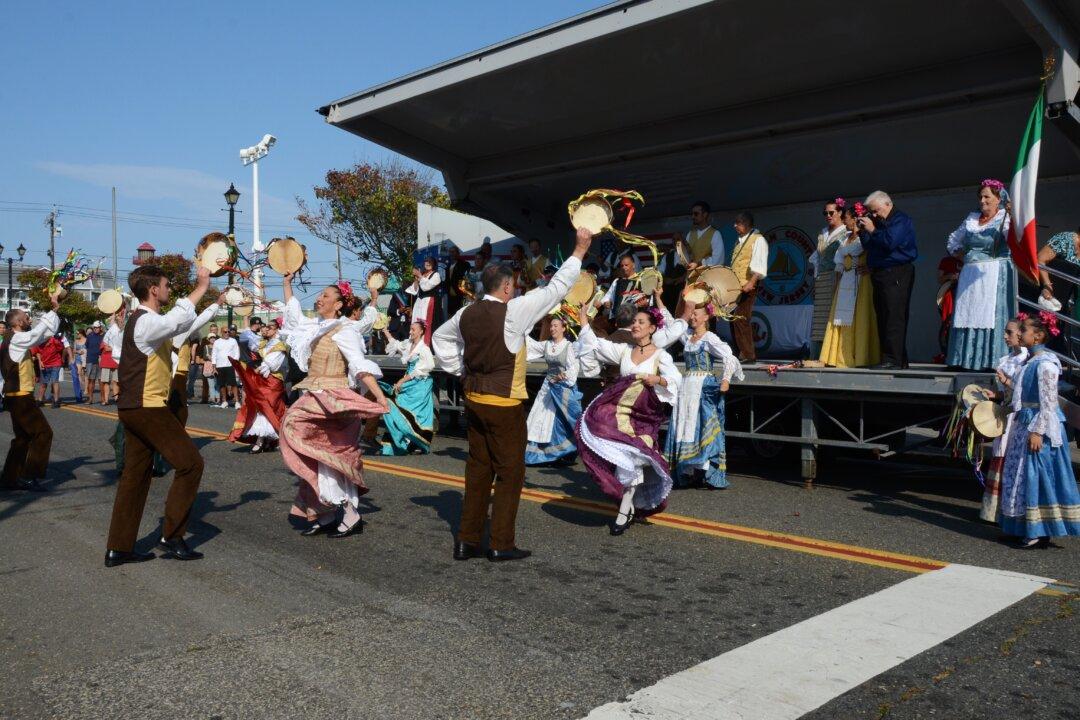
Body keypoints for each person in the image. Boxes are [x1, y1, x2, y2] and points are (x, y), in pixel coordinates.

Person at [432, 226, 595, 562]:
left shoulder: (466, 312)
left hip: (474, 400)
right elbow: (556, 289)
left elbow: (440, 339)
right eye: (514, 285)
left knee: (478, 471)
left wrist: (461, 370)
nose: (516, 289)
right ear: (506, 287)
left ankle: (466, 540)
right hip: (504, 404)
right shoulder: (513, 311)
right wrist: (579, 251)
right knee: (510, 474)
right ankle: (500, 543)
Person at [105, 265, 211, 567]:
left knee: (135, 476)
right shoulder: (145, 322)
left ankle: (119, 548)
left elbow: (182, 324)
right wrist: (201, 287)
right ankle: (172, 536)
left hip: (135, 407)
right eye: (165, 284)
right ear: (153, 289)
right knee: (191, 463)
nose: (168, 289)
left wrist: (212, 303)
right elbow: (177, 318)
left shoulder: (143, 322)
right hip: (147, 407)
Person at [279, 275, 388, 539]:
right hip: (314, 395)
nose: (319, 298)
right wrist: (287, 281)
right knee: (313, 453)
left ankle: (350, 514)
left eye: (325, 296)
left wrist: (379, 397)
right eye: (320, 295)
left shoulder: (345, 329)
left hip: (335, 400)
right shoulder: (314, 326)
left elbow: (358, 365)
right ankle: (324, 512)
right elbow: (293, 315)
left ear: (339, 305)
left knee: (332, 459)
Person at [576, 306, 681, 534]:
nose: (635, 325)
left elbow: (675, 379)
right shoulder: (624, 350)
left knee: (633, 461)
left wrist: (659, 379)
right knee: (622, 456)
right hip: (617, 416)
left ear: (652, 328)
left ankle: (625, 510)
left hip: (641, 419)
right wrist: (584, 320)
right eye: (634, 322)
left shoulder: (661, 355)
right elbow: (596, 345)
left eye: (641, 322)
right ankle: (626, 507)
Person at [997, 312, 1080, 547]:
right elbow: (1024, 393)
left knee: (1036, 476)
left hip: (1037, 425)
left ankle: (1038, 531)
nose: (1020, 334)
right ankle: (1019, 526)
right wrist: (1007, 385)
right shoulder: (1031, 362)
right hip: (1025, 421)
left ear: (1038, 336)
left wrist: (1037, 431)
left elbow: (1048, 403)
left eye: (1024, 330)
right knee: (1020, 476)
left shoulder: (1046, 364)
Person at [666, 302, 742, 489]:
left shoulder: (709, 338)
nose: (692, 317)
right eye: (691, 314)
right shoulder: (689, 337)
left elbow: (729, 356)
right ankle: (689, 472)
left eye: (696, 314)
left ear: (706, 317)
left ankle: (706, 471)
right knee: (685, 424)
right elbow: (670, 323)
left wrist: (725, 379)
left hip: (702, 385)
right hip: (687, 386)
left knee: (702, 424)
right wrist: (659, 299)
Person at [945, 180, 1016, 370]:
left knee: (988, 314)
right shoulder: (972, 218)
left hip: (994, 272)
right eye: (980, 197)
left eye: (987, 197)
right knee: (967, 314)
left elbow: (1015, 240)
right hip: (970, 273)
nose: (982, 201)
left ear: (998, 199)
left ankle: (988, 359)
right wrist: (964, 256)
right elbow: (953, 241)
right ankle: (963, 359)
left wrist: (1012, 215)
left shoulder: (1004, 218)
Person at [1, 288, 62, 492]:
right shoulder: (17, 338)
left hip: (16, 395)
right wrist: (52, 309)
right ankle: (30, 475)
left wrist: (54, 312)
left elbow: (42, 334)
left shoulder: (14, 338)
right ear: (17, 322)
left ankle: (10, 478)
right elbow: (37, 334)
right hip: (20, 396)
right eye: (25, 317)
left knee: (23, 437)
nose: (28, 319)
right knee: (43, 433)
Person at [858, 191, 919, 369]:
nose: (874, 215)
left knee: (894, 316)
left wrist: (872, 229)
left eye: (876, 211)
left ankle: (893, 359)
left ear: (887, 204)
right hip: (880, 273)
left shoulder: (900, 219)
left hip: (897, 272)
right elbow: (870, 245)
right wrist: (863, 231)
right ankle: (896, 359)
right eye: (872, 212)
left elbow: (889, 242)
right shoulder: (878, 222)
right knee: (883, 316)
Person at [820, 205, 881, 368]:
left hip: (861, 280)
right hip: (845, 280)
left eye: (846, 217)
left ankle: (858, 356)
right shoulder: (845, 239)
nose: (844, 220)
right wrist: (836, 286)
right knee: (839, 317)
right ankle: (838, 356)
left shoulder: (865, 237)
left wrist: (871, 267)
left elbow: (876, 253)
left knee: (859, 316)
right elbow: (839, 263)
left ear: (854, 219)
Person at [979, 318, 1027, 523]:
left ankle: (1010, 514)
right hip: (1007, 413)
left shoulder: (1025, 360)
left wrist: (1008, 383)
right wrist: (995, 396)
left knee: (1012, 461)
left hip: (1018, 415)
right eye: (1006, 332)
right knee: (1001, 455)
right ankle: (994, 512)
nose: (1005, 336)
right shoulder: (1006, 359)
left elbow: (1024, 392)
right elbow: (1006, 394)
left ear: (1021, 335)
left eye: (1010, 332)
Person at [524, 316, 582, 466]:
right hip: (548, 386)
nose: (552, 329)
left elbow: (573, 368)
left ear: (564, 328)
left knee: (560, 422)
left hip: (563, 388)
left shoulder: (569, 346)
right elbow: (529, 345)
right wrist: (522, 329)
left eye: (556, 326)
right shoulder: (546, 345)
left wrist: (563, 377)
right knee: (540, 418)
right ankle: (543, 453)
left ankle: (563, 453)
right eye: (551, 326)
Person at [373, 321, 436, 455]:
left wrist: (402, 380)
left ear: (421, 332)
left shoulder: (424, 349)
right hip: (410, 382)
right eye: (410, 329)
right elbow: (396, 344)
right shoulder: (408, 344)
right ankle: (393, 445)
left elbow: (425, 368)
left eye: (413, 330)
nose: (410, 332)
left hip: (420, 385)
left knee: (416, 415)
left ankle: (417, 444)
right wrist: (385, 331)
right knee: (398, 410)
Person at [230, 317, 290, 453]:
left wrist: (253, 371)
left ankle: (262, 440)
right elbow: (248, 338)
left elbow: (270, 365)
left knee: (265, 406)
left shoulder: (279, 346)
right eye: (265, 326)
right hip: (264, 380)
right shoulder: (264, 343)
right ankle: (267, 440)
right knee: (262, 407)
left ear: (276, 330)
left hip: (273, 381)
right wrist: (245, 317)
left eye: (269, 327)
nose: (265, 329)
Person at [728, 212, 769, 363]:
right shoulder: (739, 241)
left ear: (745, 223)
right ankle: (740, 352)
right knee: (733, 319)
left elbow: (760, 264)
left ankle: (749, 354)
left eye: (737, 223)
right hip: (736, 286)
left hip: (748, 285)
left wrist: (751, 282)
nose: (735, 226)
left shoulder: (758, 240)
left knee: (741, 317)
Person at [810, 199, 848, 356]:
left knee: (833, 317)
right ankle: (818, 354)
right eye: (825, 213)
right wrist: (815, 280)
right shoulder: (823, 233)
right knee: (819, 318)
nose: (828, 215)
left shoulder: (846, 232)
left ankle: (832, 354)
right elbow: (817, 260)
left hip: (837, 276)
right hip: (822, 279)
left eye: (831, 212)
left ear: (840, 213)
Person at [680, 200, 726, 272]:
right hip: (691, 277)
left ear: (705, 215)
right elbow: (686, 256)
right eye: (692, 214)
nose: (693, 216)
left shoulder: (715, 234)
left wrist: (700, 263)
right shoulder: (690, 234)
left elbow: (718, 260)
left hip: (707, 278)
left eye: (696, 214)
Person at [407, 256, 442, 344]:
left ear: (434, 264)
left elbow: (427, 287)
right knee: (416, 322)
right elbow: (414, 291)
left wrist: (420, 276)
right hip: (420, 302)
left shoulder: (436, 275)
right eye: (426, 261)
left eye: (430, 262)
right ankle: (414, 343)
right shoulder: (422, 274)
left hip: (429, 302)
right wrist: (416, 279)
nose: (428, 263)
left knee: (426, 323)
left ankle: (425, 344)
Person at [936, 255, 963, 361]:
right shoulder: (946, 260)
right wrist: (949, 276)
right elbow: (940, 279)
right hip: (949, 296)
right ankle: (947, 353)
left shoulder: (970, 260)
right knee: (947, 325)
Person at [600, 254, 642, 322]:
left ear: (633, 265)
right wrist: (606, 302)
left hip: (633, 320)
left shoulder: (640, 281)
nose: (624, 267)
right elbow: (608, 296)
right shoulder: (617, 281)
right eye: (622, 266)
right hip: (616, 319)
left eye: (626, 265)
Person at [100, 309, 125, 405]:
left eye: (121, 320)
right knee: (105, 381)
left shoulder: (122, 333)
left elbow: (124, 347)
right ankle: (106, 400)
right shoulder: (108, 333)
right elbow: (105, 347)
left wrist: (114, 348)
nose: (119, 321)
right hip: (106, 360)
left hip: (117, 360)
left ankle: (116, 398)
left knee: (116, 381)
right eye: (117, 320)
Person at [33, 334, 65, 408]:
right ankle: (40, 400)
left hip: (55, 363)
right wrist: (40, 361)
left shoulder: (53, 340)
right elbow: (37, 351)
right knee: (43, 383)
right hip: (45, 364)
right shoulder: (39, 340)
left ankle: (56, 401)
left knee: (54, 381)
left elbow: (61, 348)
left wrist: (58, 340)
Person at [212, 328, 240, 408]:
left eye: (228, 331)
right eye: (225, 332)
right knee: (222, 384)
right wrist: (214, 367)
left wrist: (235, 363)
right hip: (219, 366)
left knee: (233, 384)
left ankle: (237, 402)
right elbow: (214, 354)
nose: (227, 333)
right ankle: (224, 401)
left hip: (230, 365)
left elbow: (237, 352)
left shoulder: (233, 341)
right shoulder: (217, 342)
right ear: (221, 332)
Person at [445, 244, 472, 318]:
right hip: (450, 296)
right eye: (450, 252)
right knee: (450, 317)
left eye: (453, 252)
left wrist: (463, 290)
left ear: (458, 253)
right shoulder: (448, 265)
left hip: (460, 295)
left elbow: (467, 278)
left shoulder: (464, 264)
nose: (451, 254)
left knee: (460, 317)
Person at [84, 321, 104, 404]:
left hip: (101, 360)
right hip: (91, 360)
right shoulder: (89, 336)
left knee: (101, 381)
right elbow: (87, 346)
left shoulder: (104, 336)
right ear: (93, 328)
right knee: (91, 380)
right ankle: (90, 399)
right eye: (95, 327)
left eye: (98, 327)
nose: (96, 329)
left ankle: (103, 399)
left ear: (100, 327)